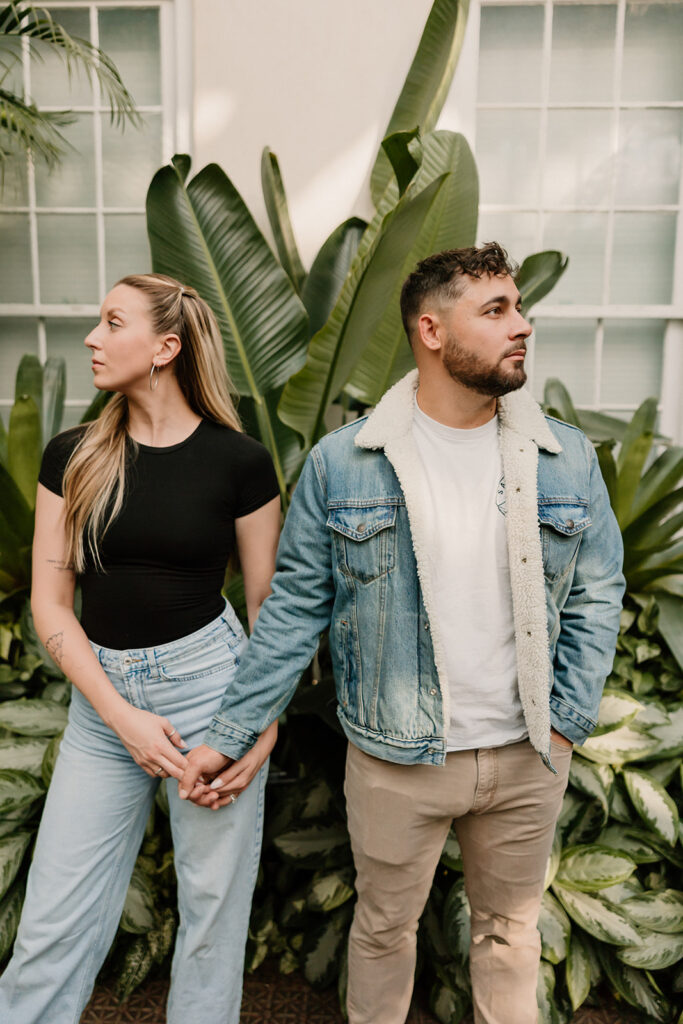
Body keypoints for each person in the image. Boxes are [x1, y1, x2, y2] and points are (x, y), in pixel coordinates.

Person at [181, 243, 625, 1024]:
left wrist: (562, 722)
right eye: (495, 311)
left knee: (509, 933)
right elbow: (292, 610)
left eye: (519, 307)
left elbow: (595, 595)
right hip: (394, 757)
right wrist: (231, 729)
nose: (520, 326)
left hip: (528, 752)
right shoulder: (343, 464)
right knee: (384, 929)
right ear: (430, 329)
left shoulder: (565, 457)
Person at [0, 273, 281, 1024]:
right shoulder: (73, 455)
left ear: (166, 346)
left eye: (111, 323)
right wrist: (120, 717)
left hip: (213, 694)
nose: (92, 338)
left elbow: (267, 613)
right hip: (102, 707)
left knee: (211, 920)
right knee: (52, 920)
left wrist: (261, 727)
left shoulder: (241, 463)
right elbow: (51, 605)